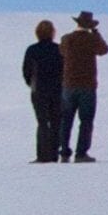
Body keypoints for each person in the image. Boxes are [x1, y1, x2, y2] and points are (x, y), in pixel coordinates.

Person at [53, 11, 108, 160]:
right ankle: (81, 153)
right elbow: (104, 50)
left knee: (66, 120)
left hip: (69, 85)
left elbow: (62, 52)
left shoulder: (66, 39)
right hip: (87, 85)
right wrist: (96, 33)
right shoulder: (91, 39)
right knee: (86, 120)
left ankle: (64, 151)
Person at [21, 20, 69, 163]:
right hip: (57, 90)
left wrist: (31, 84)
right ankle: (54, 153)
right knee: (56, 122)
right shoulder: (59, 49)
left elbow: (26, 71)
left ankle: (42, 155)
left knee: (42, 122)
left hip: (39, 91)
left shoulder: (32, 50)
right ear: (53, 33)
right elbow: (65, 69)